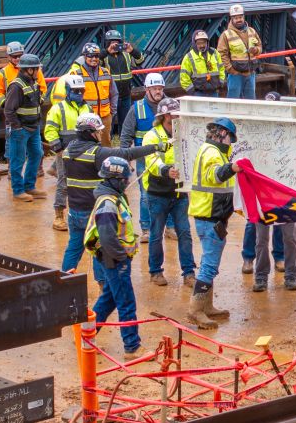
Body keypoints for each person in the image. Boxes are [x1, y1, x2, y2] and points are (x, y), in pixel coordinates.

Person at [62, 113, 161, 276]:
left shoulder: (68, 151)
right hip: (93, 211)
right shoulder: (96, 153)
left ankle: (63, 279)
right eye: (99, 131)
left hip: (74, 210)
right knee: (99, 250)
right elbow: (127, 154)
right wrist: (155, 147)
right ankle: (102, 286)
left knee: (73, 248)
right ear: (90, 132)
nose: (102, 134)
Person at [84, 156, 142, 359]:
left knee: (108, 299)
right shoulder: (108, 203)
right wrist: (121, 258)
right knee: (126, 301)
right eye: (125, 179)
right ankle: (132, 347)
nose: (127, 182)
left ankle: (86, 336)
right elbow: (108, 236)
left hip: (113, 259)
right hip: (115, 260)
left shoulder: (112, 198)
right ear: (115, 180)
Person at [187, 117, 243, 329]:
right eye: (231, 138)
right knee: (209, 267)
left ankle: (207, 307)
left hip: (213, 216)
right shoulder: (212, 153)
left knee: (210, 264)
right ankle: (195, 310)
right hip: (209, 216)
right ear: (222, 134)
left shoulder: (212, 151)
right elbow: (215, 176)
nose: (231, 142)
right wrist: (233, 168)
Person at [142, 98, 196, 288]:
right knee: (156, 234)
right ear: (166, 116)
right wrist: (166, 170)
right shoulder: (152, 136)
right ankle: (155, 271)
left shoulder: (184, 133)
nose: (179, 117)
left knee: (185, 232)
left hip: (179, 193)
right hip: (158, 193)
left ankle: (189, 272)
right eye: (175, 114)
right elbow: (151, 160)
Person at [119, 72, 168, 239]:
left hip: (167, 157)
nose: (158, 91)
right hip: (143, 158)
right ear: (147, 90)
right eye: (154, 88)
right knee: (146, 194)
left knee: (172, 192)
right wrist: (125, 160)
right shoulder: (136, 109)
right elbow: (126, 135)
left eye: (160, 88)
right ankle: (146, 229)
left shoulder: (170, 106)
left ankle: (171, 227)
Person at [44, 74, 91, 230]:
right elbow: (50, 130)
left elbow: (94, 128)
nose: (79, 94)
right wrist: (58, 148)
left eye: (81, 91)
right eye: (75, 91)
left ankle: (84, 214)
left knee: (84, 183)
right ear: (67, 91)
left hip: (85, 152)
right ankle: (59, 216)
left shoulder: (87, 107)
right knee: (63, 183)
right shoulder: (58, 109)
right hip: (65, 152)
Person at [0, 41, 46, 163]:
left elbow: (42, 88)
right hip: (13, 116)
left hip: (31, 117)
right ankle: (13, 171)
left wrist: (38, 101)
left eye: (19, 55)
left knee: (36, 149)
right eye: (14, 56)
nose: (17, 58)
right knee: (12, 147)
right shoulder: (3, 74)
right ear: (8, 57)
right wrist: (6, 103)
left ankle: (38, 169)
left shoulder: (35, 70)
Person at [4, 54, 45, 203]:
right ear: (29, 69)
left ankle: (29, 186)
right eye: (37, 69)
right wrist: (18, 128)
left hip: (33, 127)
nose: (38, 71)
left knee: (36, 154)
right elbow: (8, 110)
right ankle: (18, 190)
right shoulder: (16, 86)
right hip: (20, 130)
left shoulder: (33, 82)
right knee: (18, 159)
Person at [69, 43, 117, 145]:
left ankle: (106, 161)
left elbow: (114, 93)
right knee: (87, 144)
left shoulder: (106, 72)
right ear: (85, 56)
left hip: (105, 116)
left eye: (96, 56)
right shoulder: (76, 74)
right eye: (90, 56)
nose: (94, 59)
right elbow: (71, 97)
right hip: (87, 118)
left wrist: (112, 112)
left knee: (106, 143)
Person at [102, 29, 144, 137]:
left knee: (126, 121)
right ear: (107, 43)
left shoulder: (126, 55)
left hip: (126, 95)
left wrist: (132, 50)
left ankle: (124, 141)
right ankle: (108, 141)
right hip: (110, 96)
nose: (115, 45)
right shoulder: (104, 56)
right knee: (109, 121)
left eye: (117, 42)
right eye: (112, 42)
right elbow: (96, 60)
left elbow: (140, 60)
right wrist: (107, 51)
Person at [217, 4, 262, 100]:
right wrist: (231, 70)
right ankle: (232, 116)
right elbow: (221, 54)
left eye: (240, 17)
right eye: (236, 18)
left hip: (250, 73)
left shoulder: (252, 31)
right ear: (231, 19)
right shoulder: (226, 35)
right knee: (233, 102)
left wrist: (256, 50)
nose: (239, 20)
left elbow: (259, 47)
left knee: (251, 102)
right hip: (235, 75)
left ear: (244, 16)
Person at [180, 30, 225, 97]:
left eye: (204, 42)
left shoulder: (215, 53)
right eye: (199, 43)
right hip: (198, 93)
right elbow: (184, 77)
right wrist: (192, 92)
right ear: (194, 43)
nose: (202, 45)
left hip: (214, 92)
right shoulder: (189, 57)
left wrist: (221, 83)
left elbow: (221, 69)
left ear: (207, 42)